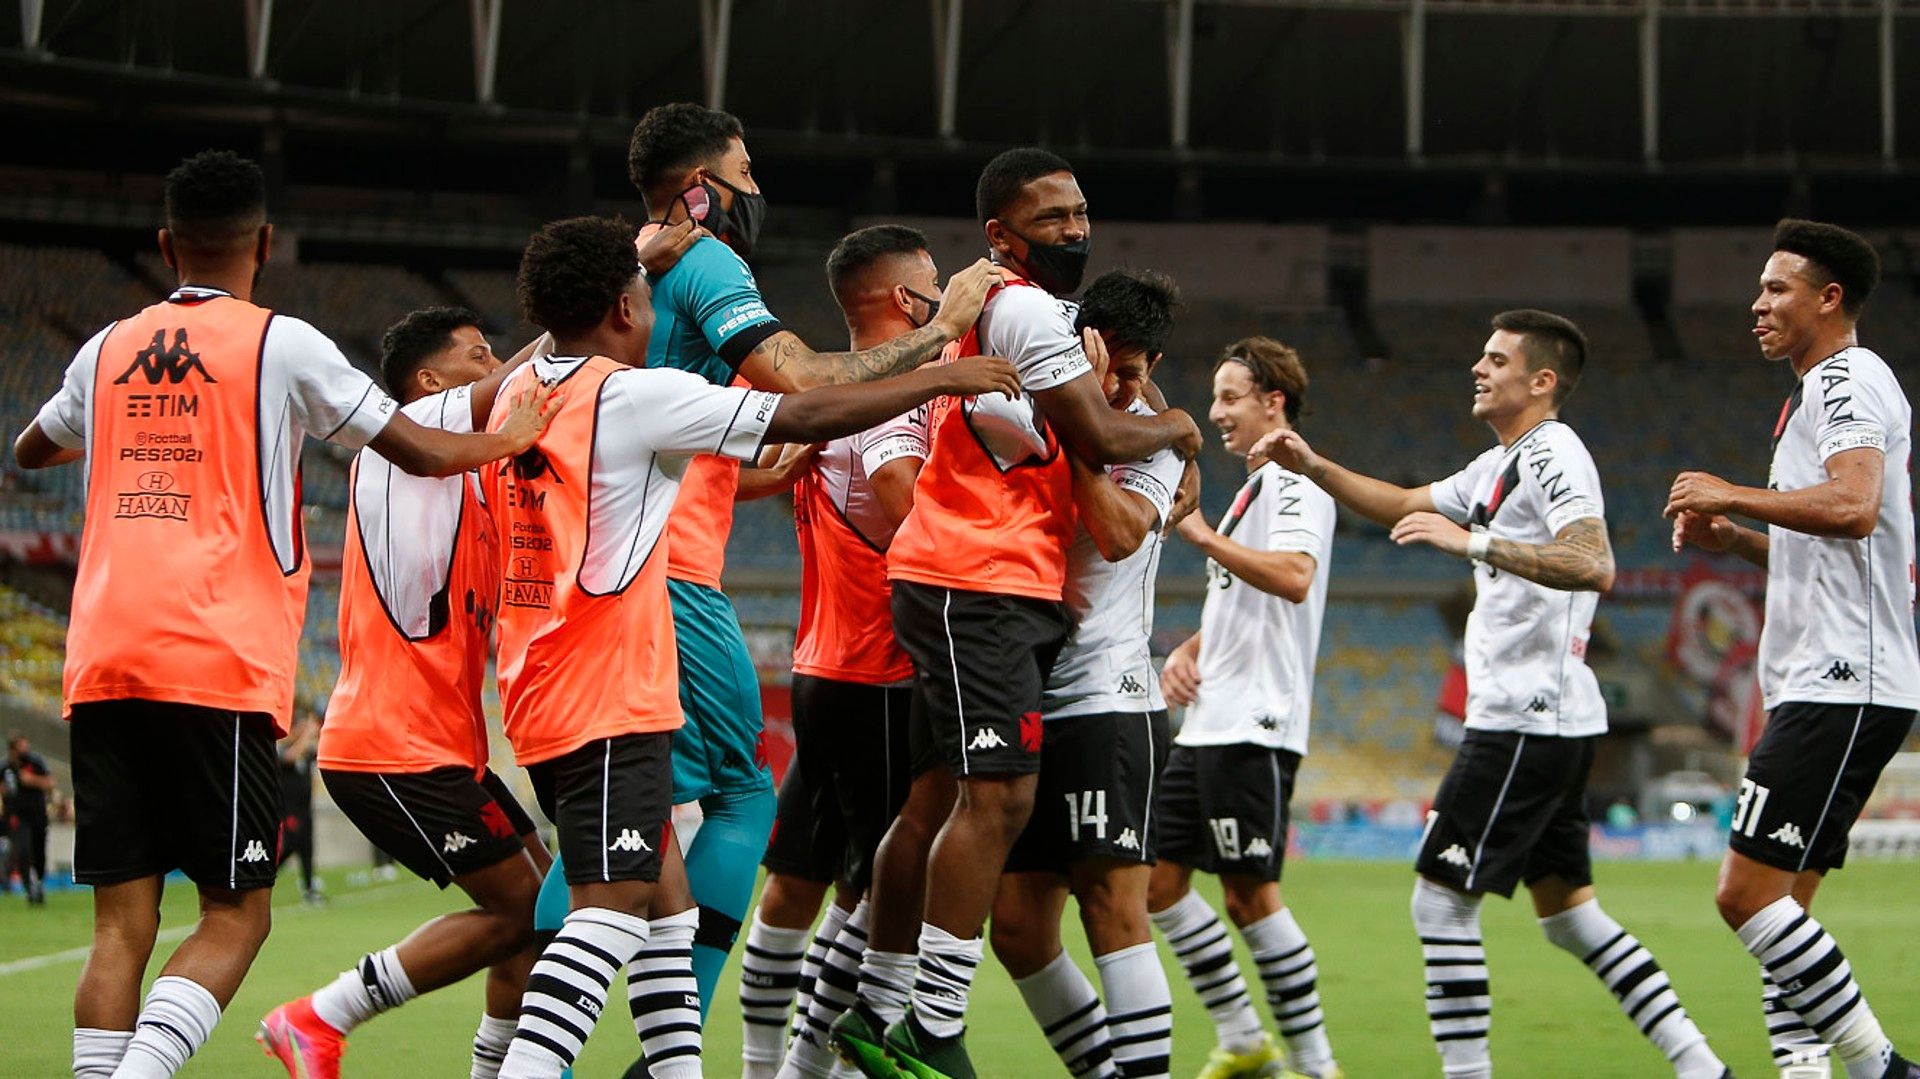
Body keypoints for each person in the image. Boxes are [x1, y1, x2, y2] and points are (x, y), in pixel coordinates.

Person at [10, 149, 556, 1079]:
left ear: (164, 244)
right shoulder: (282, 343)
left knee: (120, 925)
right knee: (236, 912)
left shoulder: (101, 350)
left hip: (99, 655)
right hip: (213, 656)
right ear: (265, 242)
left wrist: (133, 431)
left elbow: (31, 448)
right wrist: (507, 436)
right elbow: (416, 446)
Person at [483, 214, 1019, 1078]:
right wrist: (940, 355)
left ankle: (674, 1067)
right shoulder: (631, 392)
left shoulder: (518, 395)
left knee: (659, 892)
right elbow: (801, 396)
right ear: (627, 304)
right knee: (631, 893)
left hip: (536, 675)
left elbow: (744, 461)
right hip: (609, 676)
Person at [256, 298, 726, 1079]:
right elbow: (514, 386)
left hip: (442, 745)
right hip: (390, 746)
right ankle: (319, 1015)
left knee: (542, 912)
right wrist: (573, 317)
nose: (496, 369)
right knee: (525, 912)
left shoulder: (477, 476)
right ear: (431, 382)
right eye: (477, 356)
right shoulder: (397, 446)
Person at [1254, 310, 1731, 1079]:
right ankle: (1702, 1065)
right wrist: (1315, 464)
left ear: (1541, 381)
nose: (1478, 366)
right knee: (1571, 918)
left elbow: (1595, 560)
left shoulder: (1554, 453)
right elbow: (1402, 500)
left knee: (1439, 903)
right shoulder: (1497, 463)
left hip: (1524, 717)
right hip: (1546, 715)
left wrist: (1472, 542)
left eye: (1496, 357)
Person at [833, 147, 1202, 1079]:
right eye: (1054, 218)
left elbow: (1118, 478)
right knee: (990, 812)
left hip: (1059, 646)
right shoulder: (1028, 310)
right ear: (1002, 233)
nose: (1075, 228)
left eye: (1083, 212)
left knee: (974, 831)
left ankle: (893, 1015)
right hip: (980, 585)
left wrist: (1145, 421)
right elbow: (1111, 437)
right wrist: (1174, 429)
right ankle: (918, 1021)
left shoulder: (1039, 323)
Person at [1668, 219, 1920, 1079]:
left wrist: (1727, 488)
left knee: (1746, 896)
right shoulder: (1813, 394)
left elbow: (1853, 505)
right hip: (1831, 676)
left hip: (1845, 677)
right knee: (1788, 908)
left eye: (1777, 288)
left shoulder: (1847, 377)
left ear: (1830, 298)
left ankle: (1881, 1067)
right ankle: (1807, 1071)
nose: (1758, 303)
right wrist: (1734, 534)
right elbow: (1825, 541)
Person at [737, 225, 937, 1079]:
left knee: (796, 874)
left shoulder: (824, 400)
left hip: (825, 663)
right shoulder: (896, 396)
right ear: (904, 300)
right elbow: (904, 506)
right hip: (882, 667)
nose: (944, 302)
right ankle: (810, 1069)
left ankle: (762, 1066)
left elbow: (743, 474)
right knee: (878, 882)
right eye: (933, 287)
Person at [986, 269, 1189, 1079]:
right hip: (1028, 692)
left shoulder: (1158, 437)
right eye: (1104, 364)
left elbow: (1113, 533)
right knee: (1018, 927)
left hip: (1109, 697)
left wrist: (1089, 429)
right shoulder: (1032, 409)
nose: (1116, 385)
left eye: (1134, 372)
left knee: (1112, 906)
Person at [1145, 337, 1343, 1079]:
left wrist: (1195, 535)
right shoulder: (1254, 492)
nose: (1217, 412)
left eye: (1231, 397)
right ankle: (1242, 1038)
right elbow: (1248, 597)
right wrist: (1192, 645)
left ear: (1274, 402)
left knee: (1250, 895)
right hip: (1210, 721)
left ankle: (1318, 1064)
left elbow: (1293, 576)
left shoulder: (1292, 480)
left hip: (1255, 722)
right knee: (1159, 887)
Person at [2, 731, 55, 904]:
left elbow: (49, 783)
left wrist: (31, 780)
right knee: (23, 850)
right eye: (21, 746)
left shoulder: (35, 762)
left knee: (39, 850)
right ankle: (29, 887)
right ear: (13, 749)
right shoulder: (5, 767)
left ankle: (38, 881)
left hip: (38, 814)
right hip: (18, 816)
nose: (25, 749)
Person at [274, 713, 321, 904]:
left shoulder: (307, 754)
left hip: (305, 810)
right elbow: (290, 758)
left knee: (307, 850)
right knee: (288, 847)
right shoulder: (283, 750)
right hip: (289, 812)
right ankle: (265, 875)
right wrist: (307, 735)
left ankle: (309, 889)